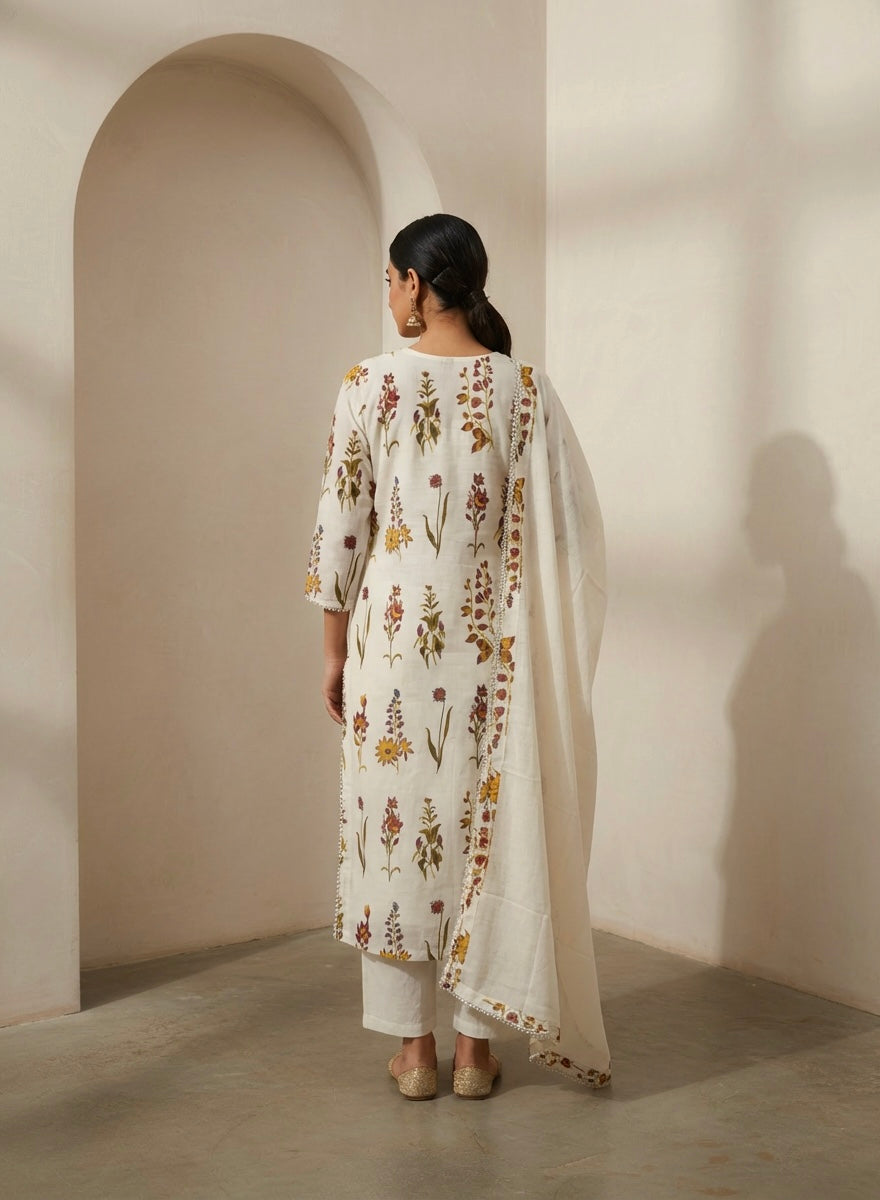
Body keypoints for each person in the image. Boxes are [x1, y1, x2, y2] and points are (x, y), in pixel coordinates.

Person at [304, 214, 611, 1100]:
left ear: (413, 283)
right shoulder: (525, 388)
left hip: (392, 648)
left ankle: (415, 1053)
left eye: (389, 279)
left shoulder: (368, 384)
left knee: (395, 837)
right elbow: (567, 533)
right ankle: (477, 1050)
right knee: (489, 831)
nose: (388, 295)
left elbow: (340, 531)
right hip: (493, 655)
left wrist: (333, 655)